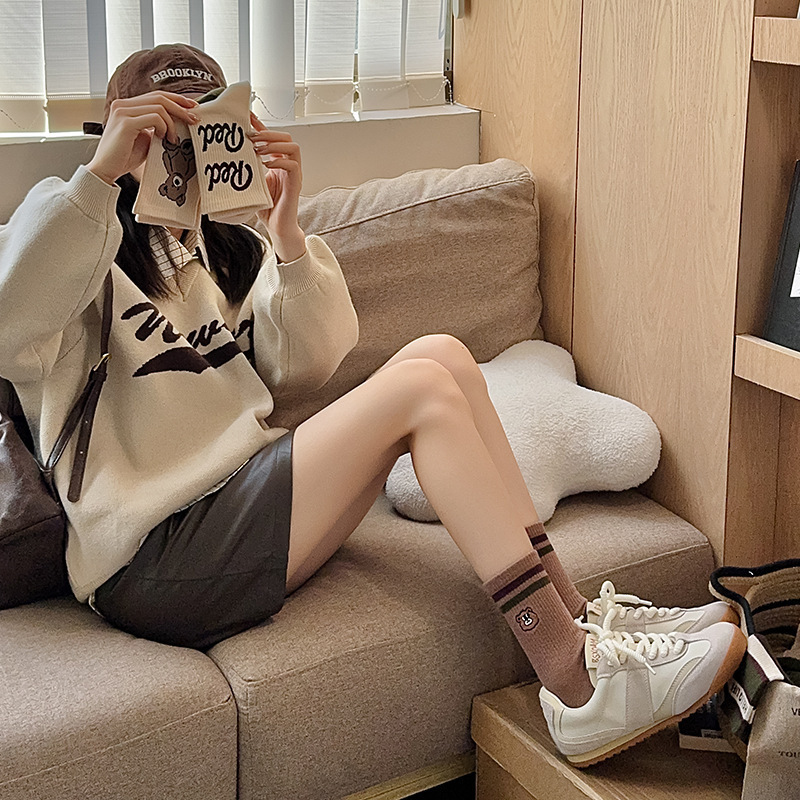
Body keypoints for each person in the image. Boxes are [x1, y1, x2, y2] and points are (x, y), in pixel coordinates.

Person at [0, 43, 746, 767]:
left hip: (239, 511)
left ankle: (579, 618)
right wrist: (100, 177)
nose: (184, 155)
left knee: (441, 355)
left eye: (205, 130)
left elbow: (307, 363)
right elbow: (8, 326)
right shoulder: (74, 239)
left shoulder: (222, 257)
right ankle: (573, 680)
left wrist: (285, 230)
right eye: (165, 133)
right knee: (420, 388)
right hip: (152, 559)